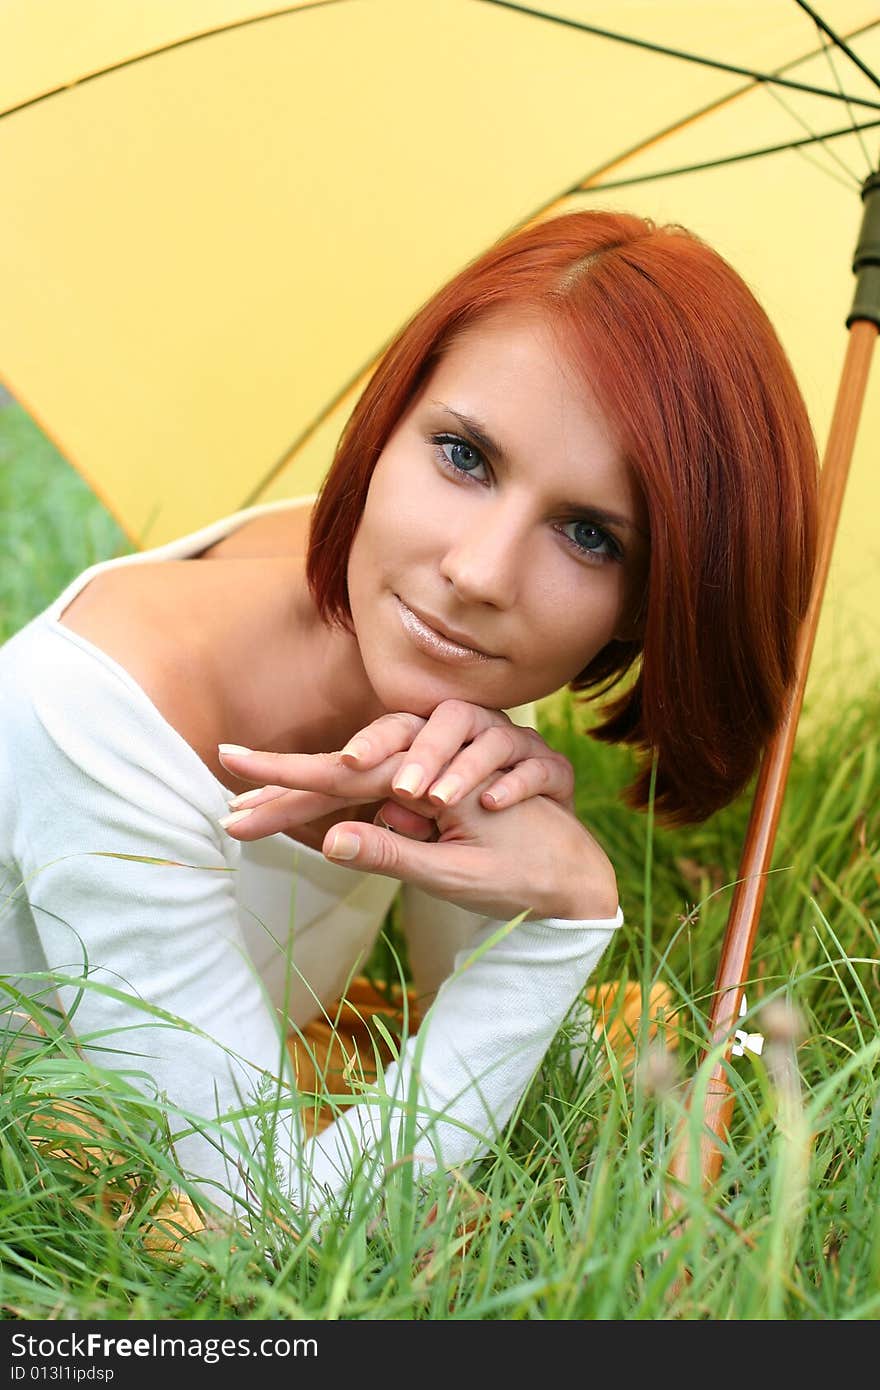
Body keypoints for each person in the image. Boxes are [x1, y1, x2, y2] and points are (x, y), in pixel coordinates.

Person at [0, 210, 817, 1221]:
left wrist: (494, 843)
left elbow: (474, 1027)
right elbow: (264, 1219)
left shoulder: (426, 669)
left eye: (588, 535)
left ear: (655, 605)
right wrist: (561, 920)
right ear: (388, 420)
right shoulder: (92, 718)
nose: (476, 571)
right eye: (465, 457)